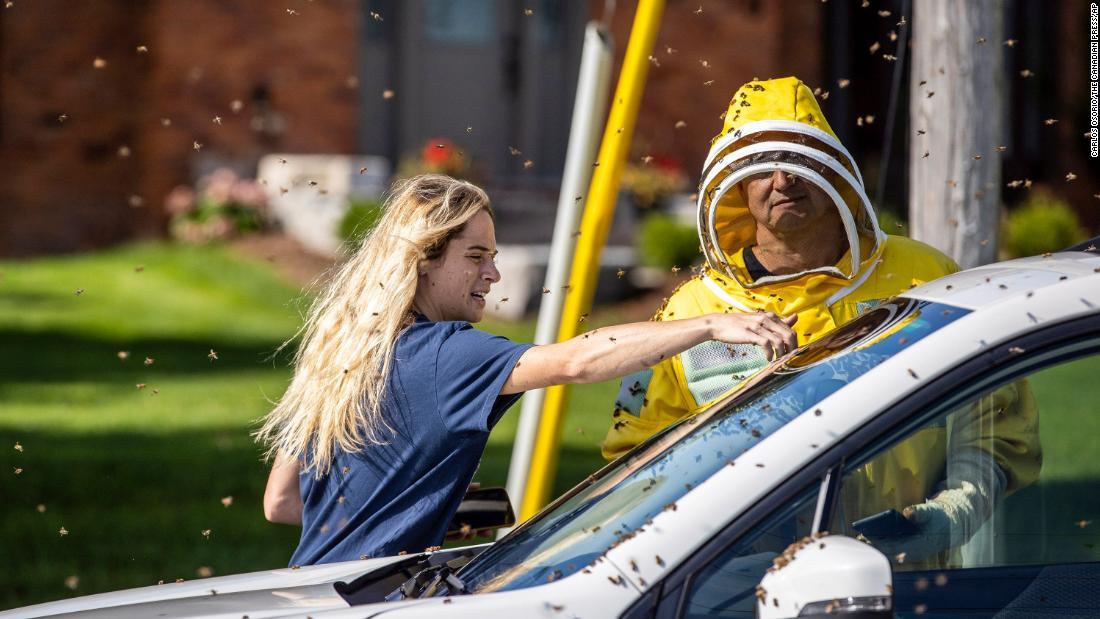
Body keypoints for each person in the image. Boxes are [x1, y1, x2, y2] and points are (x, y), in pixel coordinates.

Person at [601, 76, 1039, 564]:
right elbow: (636, 468)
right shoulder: (690, 314)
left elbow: (996, 419)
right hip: (740, 590)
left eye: (801, 158)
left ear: (835, 172)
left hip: (909, 584)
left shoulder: (924, 275)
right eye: (761, 166)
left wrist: (954, 511)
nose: (784, 180)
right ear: (735, 188)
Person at [256, 174, 798, 566]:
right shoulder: (446, 354)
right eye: (475, 256)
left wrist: (428, 505)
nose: (493, 274)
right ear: (423, 259)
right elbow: (578, 359)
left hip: (315, 592)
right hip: (380, 597)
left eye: (493, 255)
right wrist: (707, 326)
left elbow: (281, 501)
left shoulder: (346, 354)